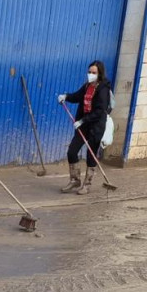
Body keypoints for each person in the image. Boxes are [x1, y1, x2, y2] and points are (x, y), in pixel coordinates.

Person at [58, 61, 112, 194]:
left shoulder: (103, 89)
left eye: (94, 72)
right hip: (83, 125)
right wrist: (66, 96)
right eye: (89, 72)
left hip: (95, 126)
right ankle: (75, 180)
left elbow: (100, 110)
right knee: (72, 151)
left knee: (90, 155)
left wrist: (83, 120)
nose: (91, 74)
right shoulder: (87, 86)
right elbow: (77, 96)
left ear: (99, 74)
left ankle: (87, 185)